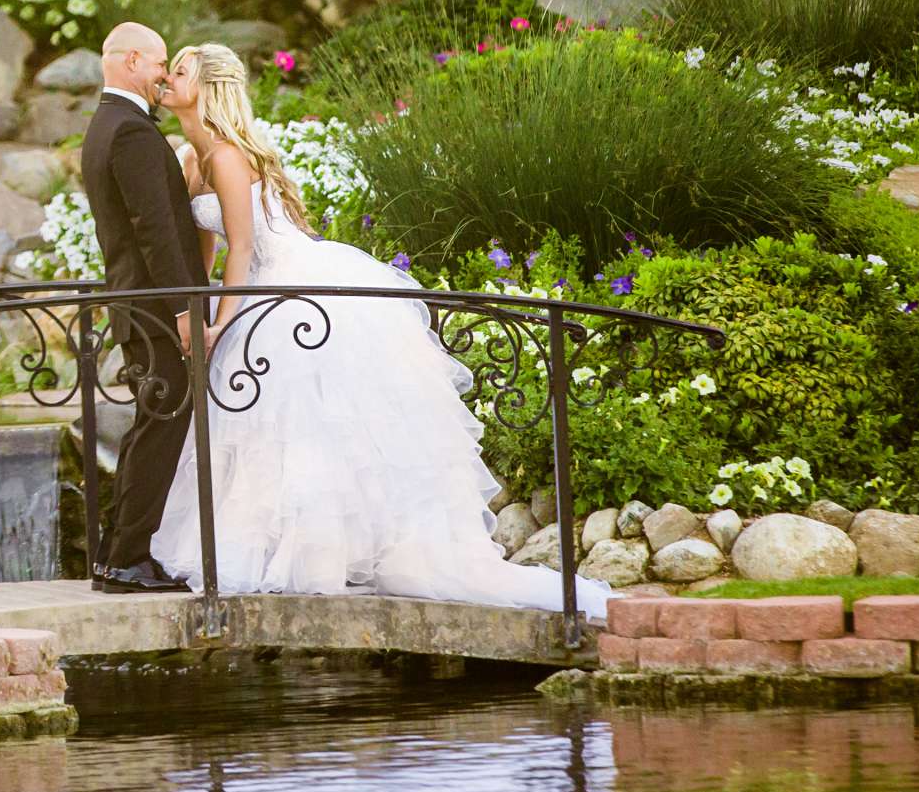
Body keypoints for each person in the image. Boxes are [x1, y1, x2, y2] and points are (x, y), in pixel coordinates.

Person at [146, 40, 614, 623]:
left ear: (207, 87)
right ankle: (281, 548)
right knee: (270, 428)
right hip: (256, 291)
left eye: (180, 71)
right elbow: (206, 254)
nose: (167, 78)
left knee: (309, 423)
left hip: (290, 287)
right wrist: (197, 307)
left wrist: (222, 323)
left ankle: (323, 555)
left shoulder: (228, 156)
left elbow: (242, 246)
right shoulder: (193, 160)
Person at [77, 22, 207, 594]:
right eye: (159, 64)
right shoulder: (128, 131)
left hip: (138, 305)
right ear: (132, 60)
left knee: (150, 424)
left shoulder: (109, 124)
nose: (163, 75)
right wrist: (185, 310)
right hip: (154, 309)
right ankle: (128, 558)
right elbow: (152, 230)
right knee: (162, 424)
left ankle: (115, 555)